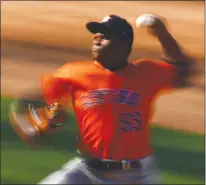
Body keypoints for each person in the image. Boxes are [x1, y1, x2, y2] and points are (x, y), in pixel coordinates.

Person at [9, 14, 192, 184]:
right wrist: (33, 129)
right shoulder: (74, 73)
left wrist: (162, 34)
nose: (97, 38)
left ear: (123, 44)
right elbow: (27, 103)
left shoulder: (146, 72)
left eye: (105, 35)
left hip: (135, 175)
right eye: (96, 34)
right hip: (87, 170)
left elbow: (182, 70)